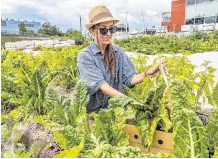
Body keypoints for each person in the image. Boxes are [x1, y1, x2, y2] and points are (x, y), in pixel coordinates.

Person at [77, 6, 165, 128]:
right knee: (98, 145)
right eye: (103, 30)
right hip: (96, 117)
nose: (108, 34)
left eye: (111, 29)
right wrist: (130, 102)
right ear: (92, 30)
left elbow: (129, 78)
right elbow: (103, 87)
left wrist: (146, 74)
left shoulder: (118, 52)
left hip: (118, 114)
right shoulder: (85, 57)